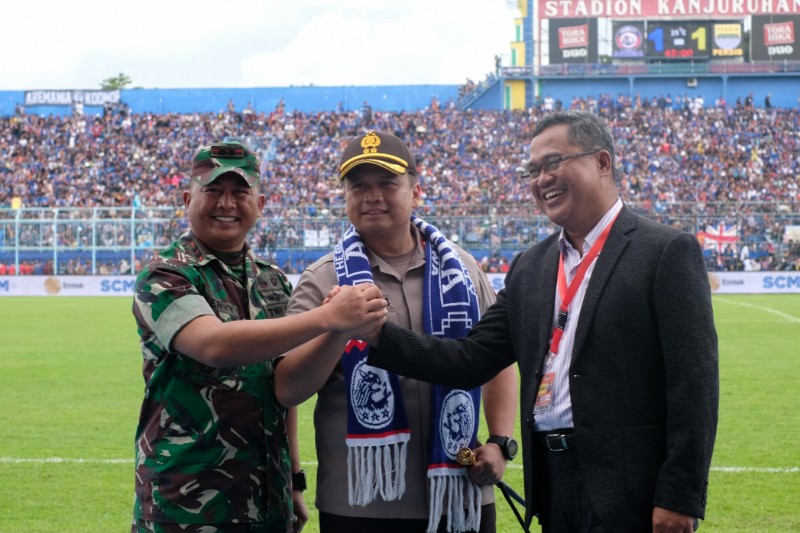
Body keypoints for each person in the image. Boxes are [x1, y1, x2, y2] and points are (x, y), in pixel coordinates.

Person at [366, 111, 719, 532]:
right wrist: (378, 335)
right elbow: (470, 358)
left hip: (632, 492)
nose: (541, 179)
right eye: (532, 171)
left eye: (553, 163)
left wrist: (680, 496)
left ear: (602, 163)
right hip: (552, 487)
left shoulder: (665, 252)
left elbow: (694, 384)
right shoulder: (531, 267)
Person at [131, 141, 388, 533]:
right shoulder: (166, 274)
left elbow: (282, 386)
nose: (227, 203)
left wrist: (294, 479)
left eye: (240, 192)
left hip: (266, 500)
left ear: (261, 204)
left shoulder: (271, 279)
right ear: (187, 199)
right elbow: (213, 345)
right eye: (213, 190)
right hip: (186, 504)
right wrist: (328, 317)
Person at [275, 131, 518, 533]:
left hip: (462, 493)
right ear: (346, 196)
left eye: (387, 183)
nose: (372, 195)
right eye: (359, 186)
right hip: (361, 502)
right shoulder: (321, 280)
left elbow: (496, 361)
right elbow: (287, 390)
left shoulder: (462, 270)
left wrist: (500, 441)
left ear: (416, 191)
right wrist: (336, 328)